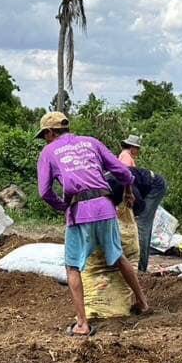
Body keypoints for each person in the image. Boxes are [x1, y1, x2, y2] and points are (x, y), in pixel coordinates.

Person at [36, 111, 151, 336]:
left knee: (72, 266)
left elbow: (44, 192)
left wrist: (62, 206)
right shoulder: (91, 142)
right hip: (106, 208)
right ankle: (143, 303)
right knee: (118, 257)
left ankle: (82, 323)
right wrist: (128, 191)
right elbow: (123, 172)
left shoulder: (48, 152)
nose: (45, 140)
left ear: (50, 132)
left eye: (45, 136)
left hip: (80, 212)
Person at [107, 164, 169, 273]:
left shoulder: (120, 184)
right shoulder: (100, 188)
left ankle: (140, 269)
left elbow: (140, 206)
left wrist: (131, 218)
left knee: (141, 225)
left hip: (155, 186)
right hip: (141, 186)